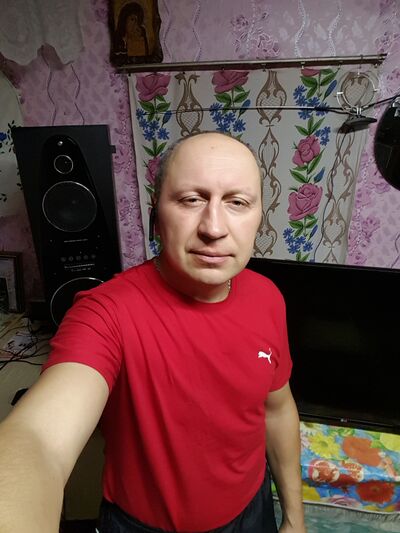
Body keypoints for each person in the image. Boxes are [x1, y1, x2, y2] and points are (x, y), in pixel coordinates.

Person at [0, 132, 306, 533]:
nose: (214, 227)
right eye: (191, 200)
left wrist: (294, 517)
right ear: (156, 217)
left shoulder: (268, 298)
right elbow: (38, 439)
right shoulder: (105, 312)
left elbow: (277, 409)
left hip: (251, 512)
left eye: (237, 202)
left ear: (259, 217)